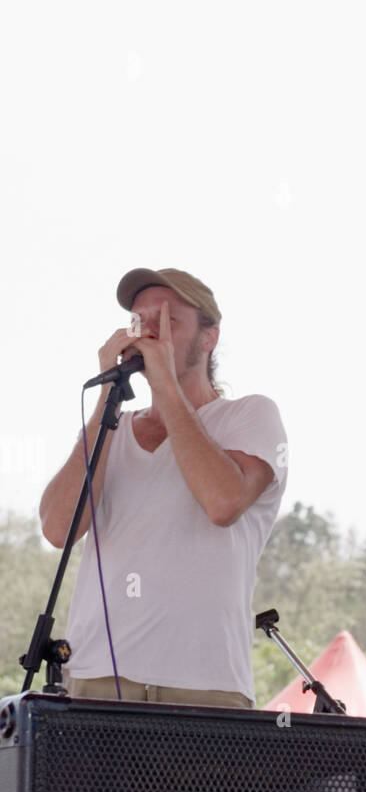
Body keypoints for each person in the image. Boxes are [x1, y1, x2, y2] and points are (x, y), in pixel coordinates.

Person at [39, 267, 288, 709]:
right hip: (96, 676)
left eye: (169, 321)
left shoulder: (249, 416)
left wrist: (166, 387)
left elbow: (223, 502)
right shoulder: (111, 427)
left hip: (203, 680)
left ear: (209, 337)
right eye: (140, 321)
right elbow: (59, 528)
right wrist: (106, 399)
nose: (150, 332)